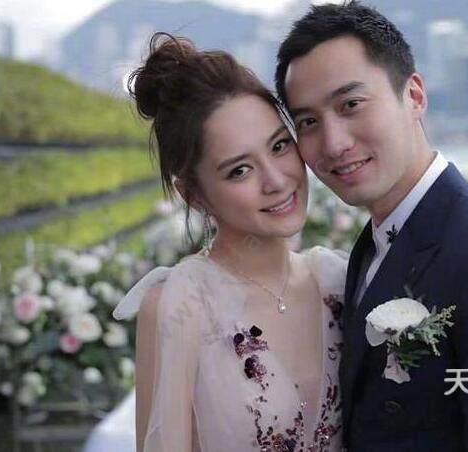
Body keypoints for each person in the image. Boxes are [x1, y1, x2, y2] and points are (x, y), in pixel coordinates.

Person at [275, 2, 468, 451]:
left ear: (414, 95)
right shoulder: (377, 241)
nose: (334, 143)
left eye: (351, 105)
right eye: (309, 122)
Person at [112, 33, 347, 451]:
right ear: (193, 194)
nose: (276, 181)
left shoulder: (336, 281)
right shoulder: (183, 305)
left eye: (279, 146)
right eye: (240, 170)